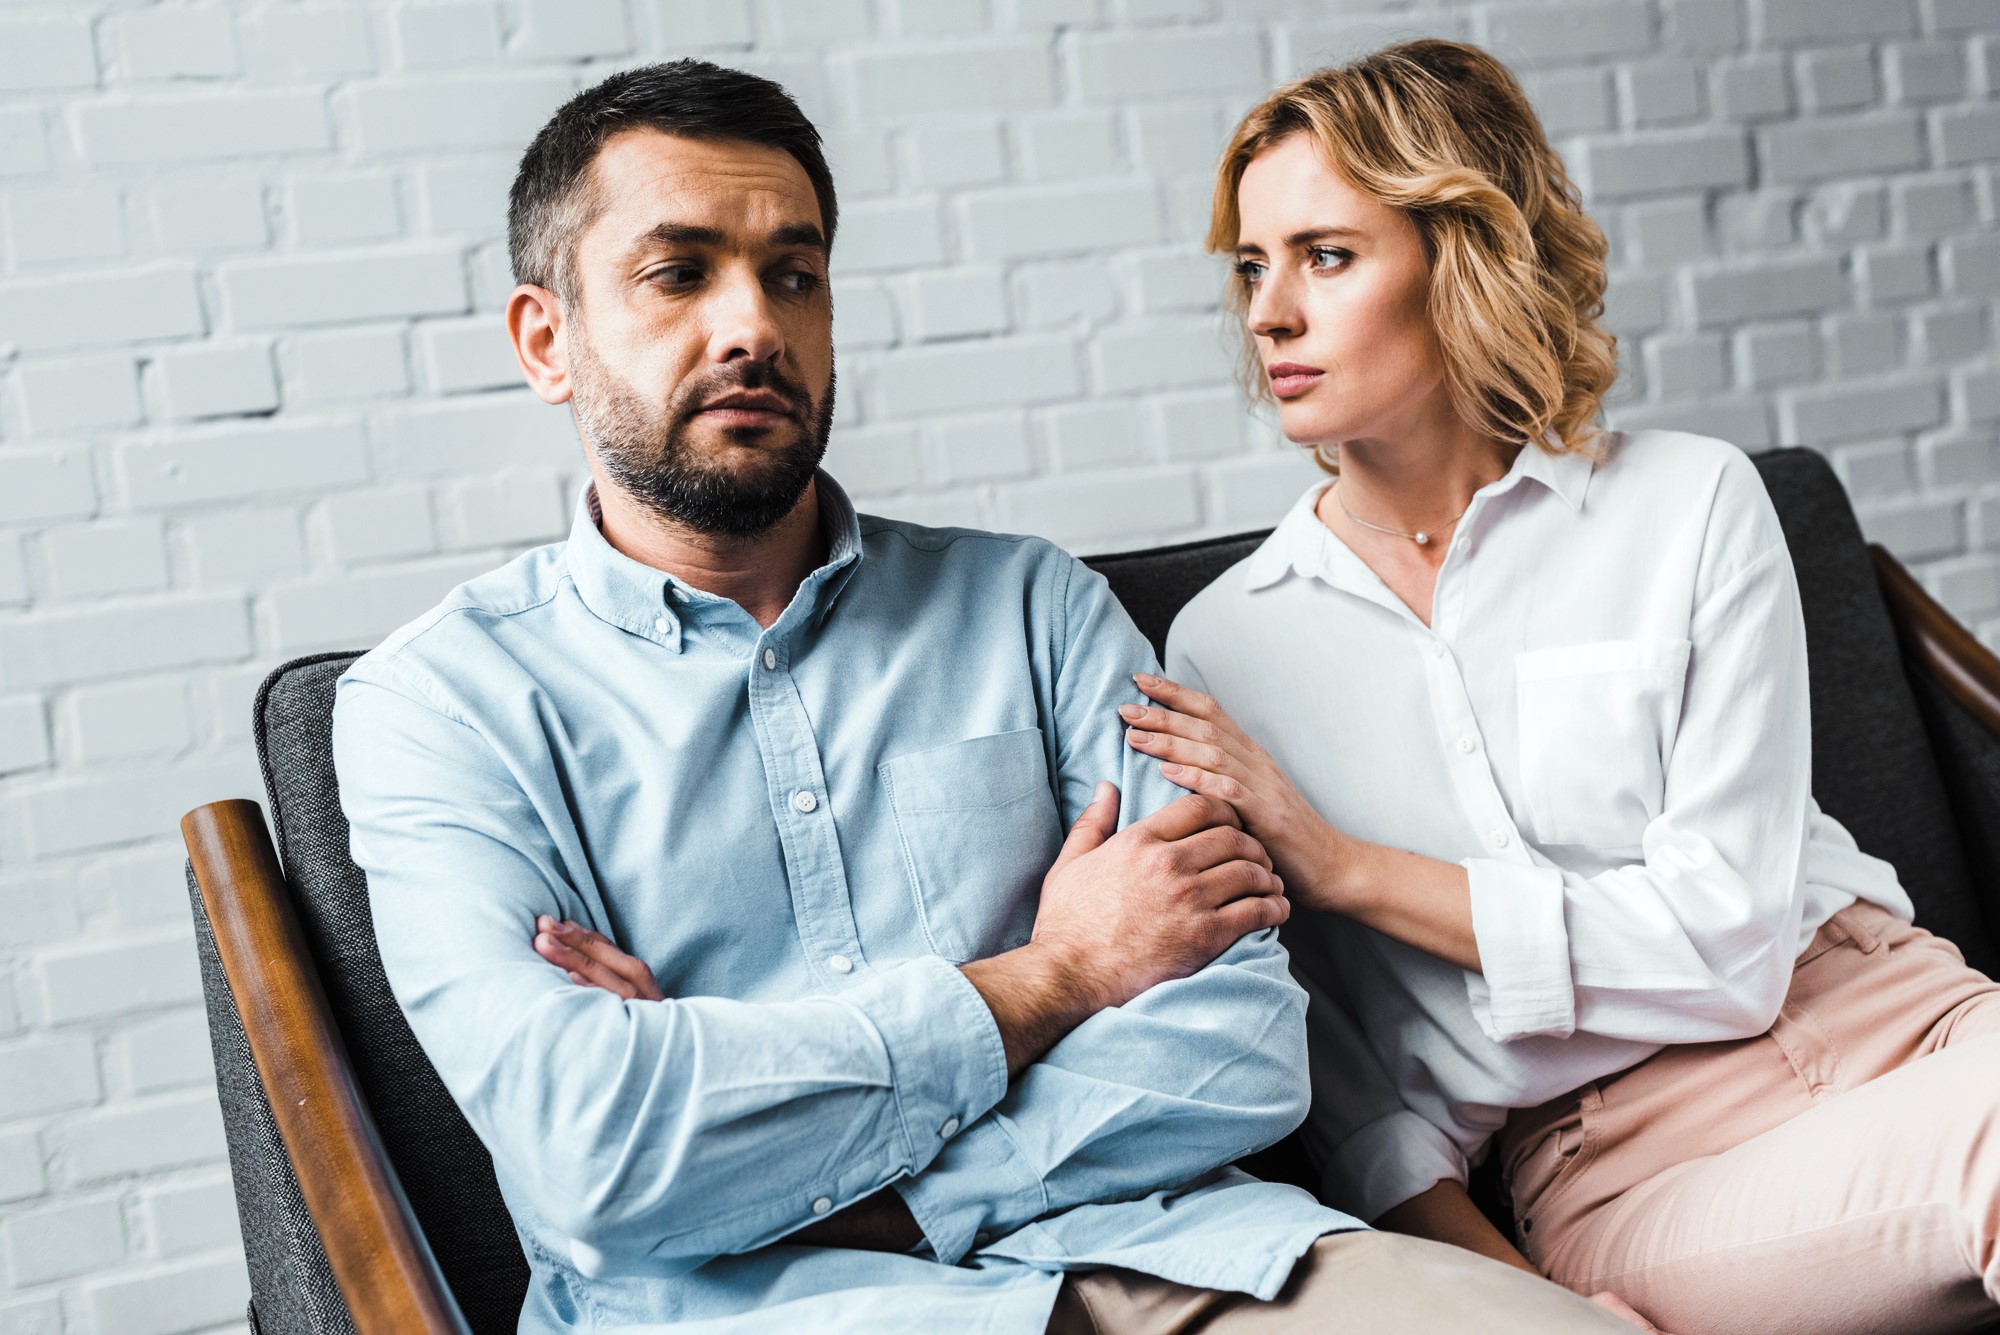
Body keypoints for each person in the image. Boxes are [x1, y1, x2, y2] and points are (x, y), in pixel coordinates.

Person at [331, 59, 1625, 1335]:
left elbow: (1241, 1047)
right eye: (680, 274)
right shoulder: (441, 709)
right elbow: (593, 1160)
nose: (754, 328)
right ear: (546, 342)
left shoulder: (1030, 610)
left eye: (795, 274)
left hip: (1193, 1259)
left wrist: (792, 1156)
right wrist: (1057, 975)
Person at [1119, 36, 2000, 1335]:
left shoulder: (1692, 503)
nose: (1268, 311)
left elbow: (1732, 947)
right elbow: (1356, 1091)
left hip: (1900, 1011)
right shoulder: (1222, 652)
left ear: (1460, 255)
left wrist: (1350, 865)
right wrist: (1521, 1303)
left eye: (1326, 255)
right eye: (1252, 265)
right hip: (1629, 1160)